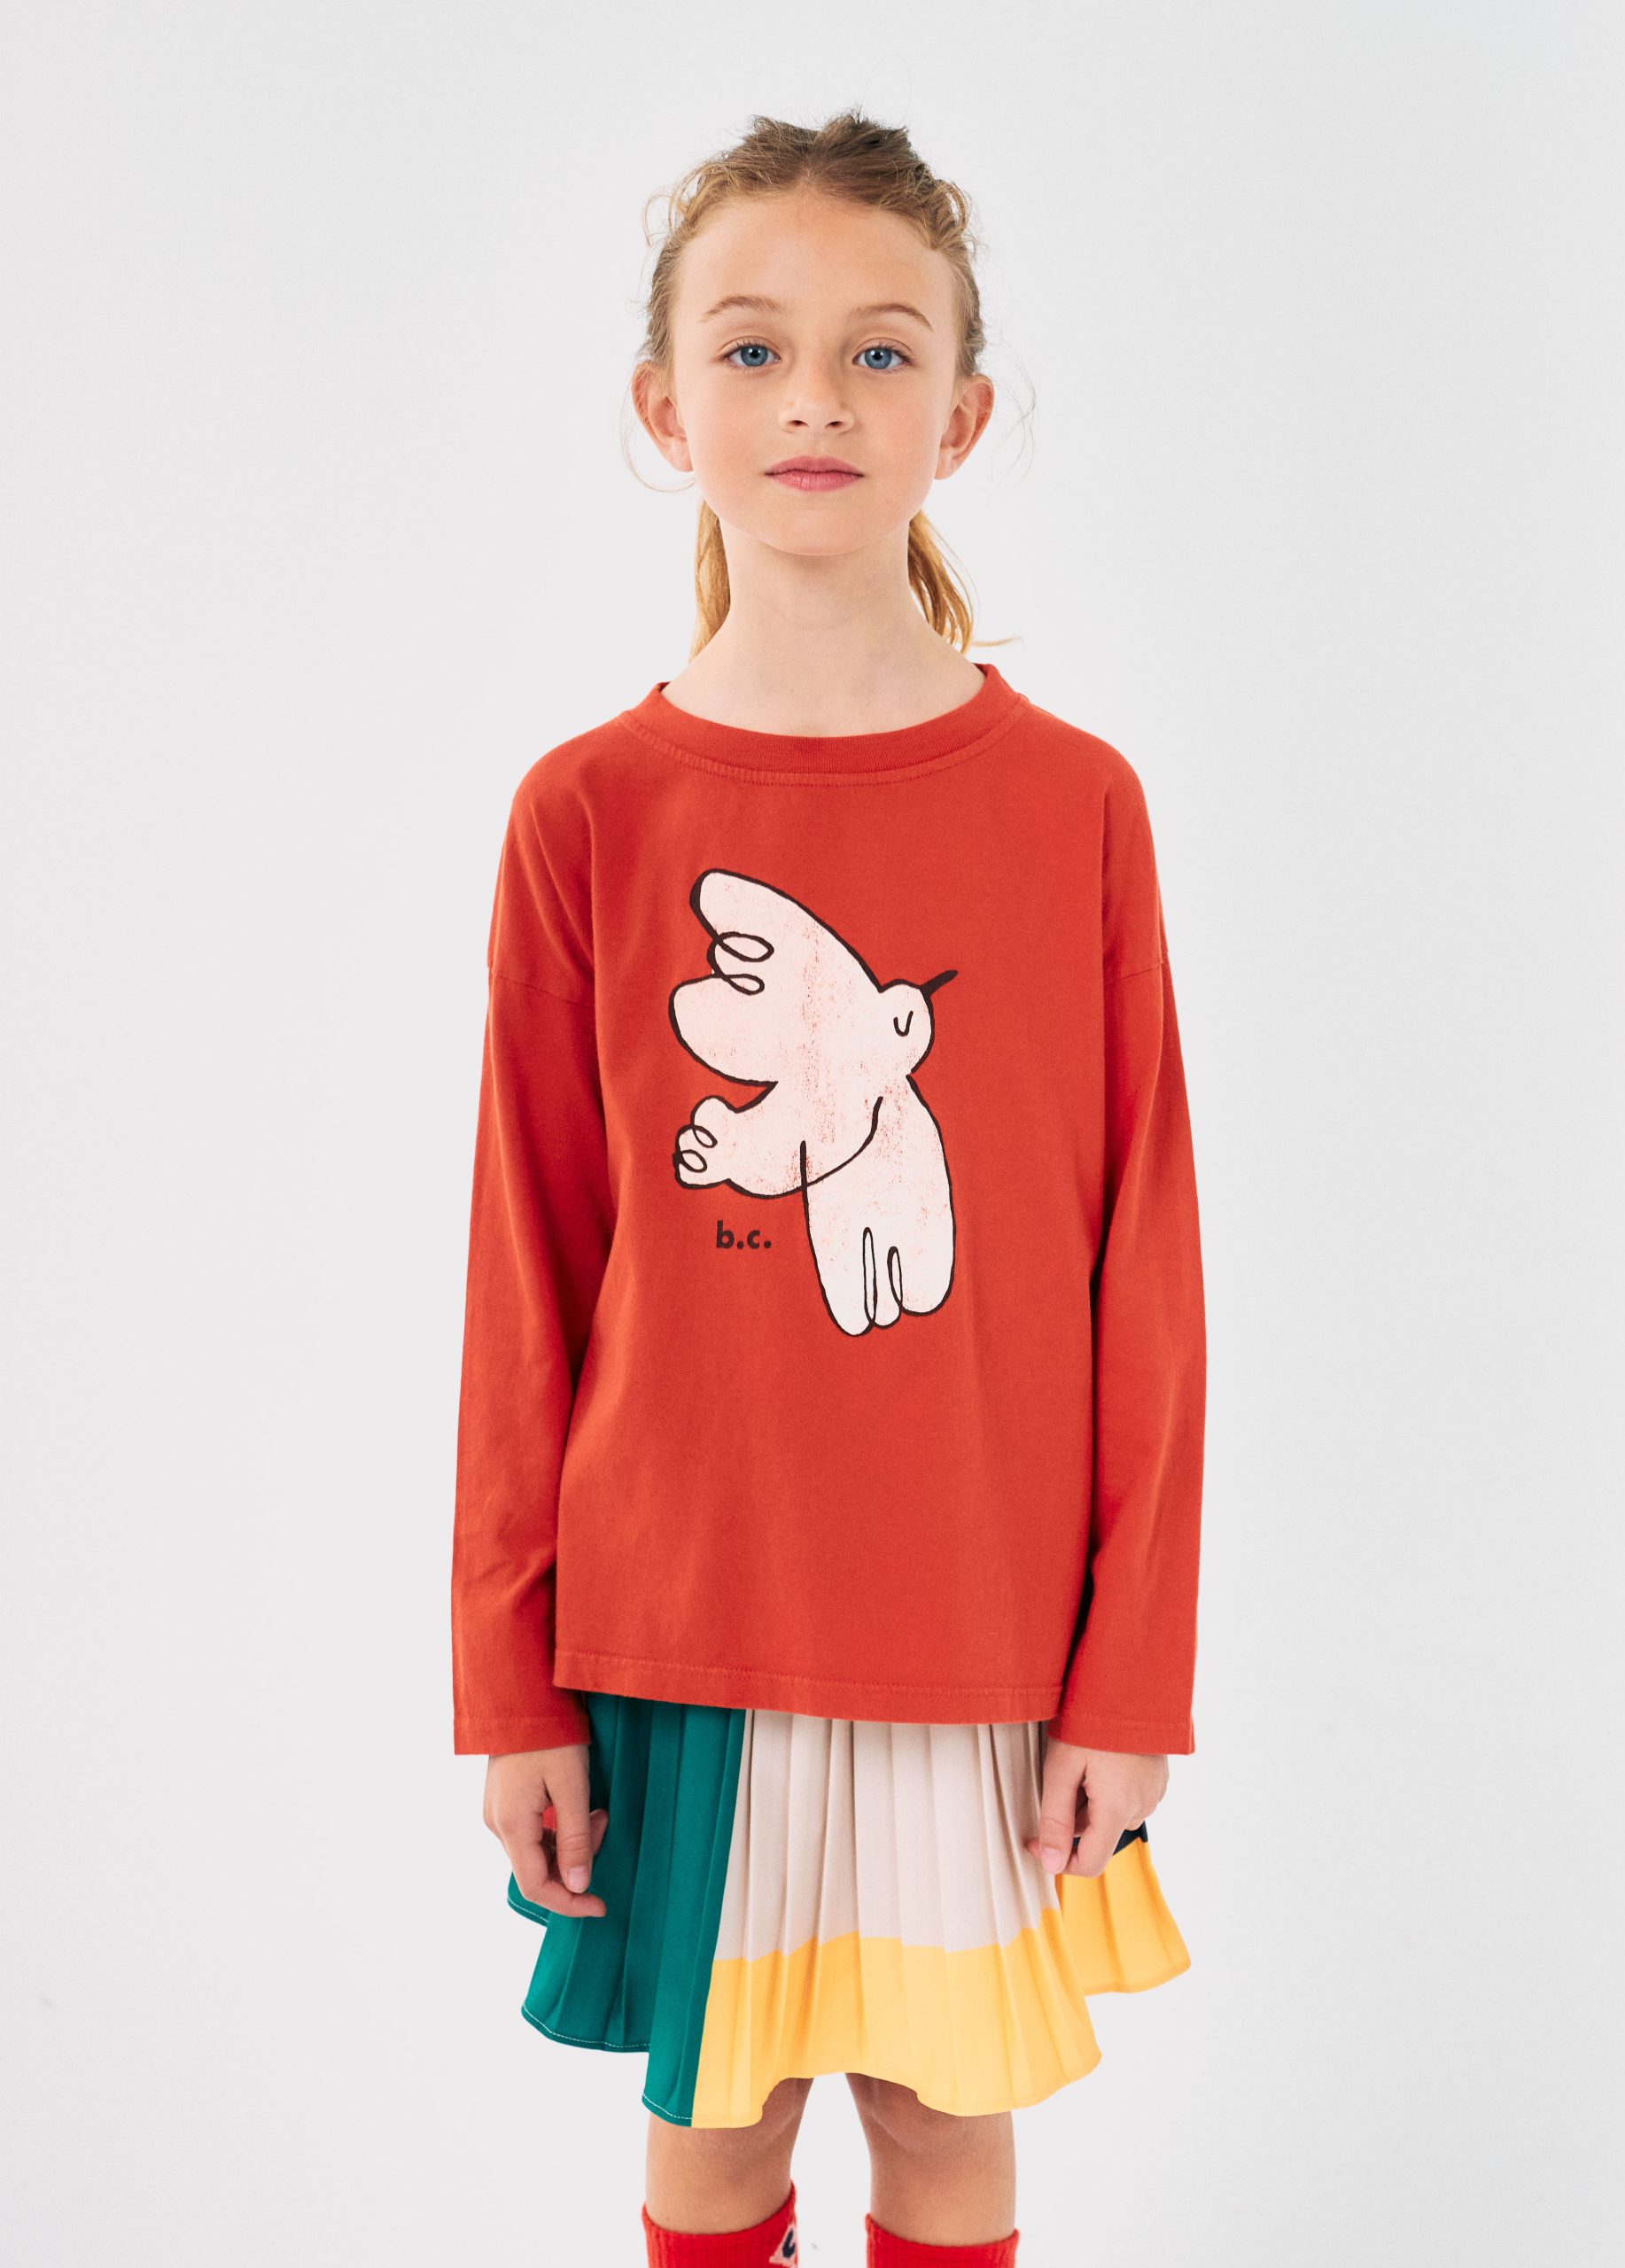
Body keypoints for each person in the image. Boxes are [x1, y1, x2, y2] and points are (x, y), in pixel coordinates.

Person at [450, 108, 1207, 2268]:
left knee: (949, 2121)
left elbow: (1144, 1262)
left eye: (882, 352)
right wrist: (510, 1679)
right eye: (755, 347)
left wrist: (1129, 1670)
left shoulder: (1073, 806)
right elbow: (529, 1268)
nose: (817, 398)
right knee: (715, 2130)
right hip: (682, 1617)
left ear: (959, 416)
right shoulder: (587, 811)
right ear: (661, 406)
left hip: (979, 1620)